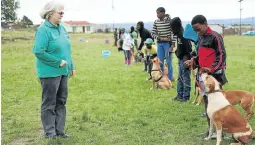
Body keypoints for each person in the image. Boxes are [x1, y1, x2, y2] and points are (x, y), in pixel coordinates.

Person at [33, 1, 75, 139]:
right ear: (50, 13)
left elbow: (66, 50)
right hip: (49, 73)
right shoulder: (43, 30)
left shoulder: (61, 28)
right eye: (60, 12)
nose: (62, 14)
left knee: (61, 101)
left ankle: (60, 131)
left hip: (63, 72)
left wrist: (71, 66)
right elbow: (38, 51)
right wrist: (58, 62)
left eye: (63, 12)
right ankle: (50, 133)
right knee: (49, 103)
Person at [184, 14, 228, 138]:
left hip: (215, 77)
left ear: (205, 24)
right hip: (204, 76)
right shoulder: (201, 38)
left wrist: (212, 68)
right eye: (195, 30)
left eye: (198, 28)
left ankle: (220, 131)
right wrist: (193, 61)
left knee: (217, 105)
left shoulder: (215, 37)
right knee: (207, 104)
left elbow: (221, 55)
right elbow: (201, 56)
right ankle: (210, 129)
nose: (197, 32)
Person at [170, 17, 192, 102]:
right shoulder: (179, 34)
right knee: (180, 78)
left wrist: (187, 60)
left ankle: (185, 97)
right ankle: (179, 95)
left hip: (185, 60)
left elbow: (189, 49)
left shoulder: (183, 35)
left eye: (172, 27)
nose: (171, 29)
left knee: (185, 78)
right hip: (180, 58)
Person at [151, 7, 176, 81]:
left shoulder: (169, 21)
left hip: (168, 44)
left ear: (163, 13)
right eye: (156, 13)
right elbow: (152, 33)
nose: (157, 15)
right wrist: (160, 38)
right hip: (160, 43)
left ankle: (170, 78)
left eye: (158, 13)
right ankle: (160, 77)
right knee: (160, 61)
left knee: (168, 62)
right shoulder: (156, 22)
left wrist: (173, 44)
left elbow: (174, 33)